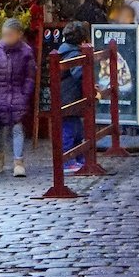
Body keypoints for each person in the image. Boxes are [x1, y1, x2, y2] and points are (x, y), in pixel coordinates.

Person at [0, 18, 36, 178]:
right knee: (0, 129)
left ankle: (18, 162)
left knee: (17, 128)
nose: (7, 38)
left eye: (10, 35)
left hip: (17, 96)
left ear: (19, 35)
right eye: (5, 35)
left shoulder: (26, 52)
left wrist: (24, 94)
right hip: (0, 96)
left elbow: (30, 76)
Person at [56, 21, 88, 174]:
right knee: (69, 130)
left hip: (68, 95)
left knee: (76, 129)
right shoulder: (73, 54)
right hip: (69, 96)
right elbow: (78, 73)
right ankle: (67, 159)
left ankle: (78, 155)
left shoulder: (64, 50)